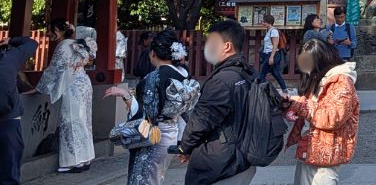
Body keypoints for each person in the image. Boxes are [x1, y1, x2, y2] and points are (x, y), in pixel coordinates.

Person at [105, 30, 192, 185]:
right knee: (155, 178)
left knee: (143, 178)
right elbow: (188, 111)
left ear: (152, 53)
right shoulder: (183, 75)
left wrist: (126, 96)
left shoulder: (154, 78)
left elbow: (146, 114)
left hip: (152, 136)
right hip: (172, 132)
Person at [179, 19, 257, 185]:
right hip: (243, 156)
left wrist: (184, 148)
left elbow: (201, 121)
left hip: (220, 163)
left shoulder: (222, 81)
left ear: (227, 46)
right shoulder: (248, 73)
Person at [286, 39, 360, 185]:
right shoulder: (320, 79)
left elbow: (332, 117)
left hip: (327, 153)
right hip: (311, 147)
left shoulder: (342, 82)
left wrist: (300, 105)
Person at [36, 20, 97, 173]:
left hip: (71, 85)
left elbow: (54, 70)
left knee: (70, 121)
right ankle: (86, 158)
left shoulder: (63, 46)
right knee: (84, 121)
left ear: (62, 31)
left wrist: (39, 88)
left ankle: (75, 162)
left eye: (52, 30)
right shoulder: (79, 43)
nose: (49, 33)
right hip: (83, 82)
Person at [0, 33, 38, 185]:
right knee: (9, 170)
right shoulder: (10, 58)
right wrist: (11, 40)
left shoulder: (9, 58)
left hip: (9, 118)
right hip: (9, 120)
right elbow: (32, 43)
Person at [258, 14, 287, 93]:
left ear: (268, 22)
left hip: (272, 54)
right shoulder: (269, 30)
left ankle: (260, 91)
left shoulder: (274, 31)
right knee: (276, 73)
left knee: (262, 73)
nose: (262, 23)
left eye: (263, 21)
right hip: (269, 54)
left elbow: (275, 45)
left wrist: (271, 57)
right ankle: (285, 90)